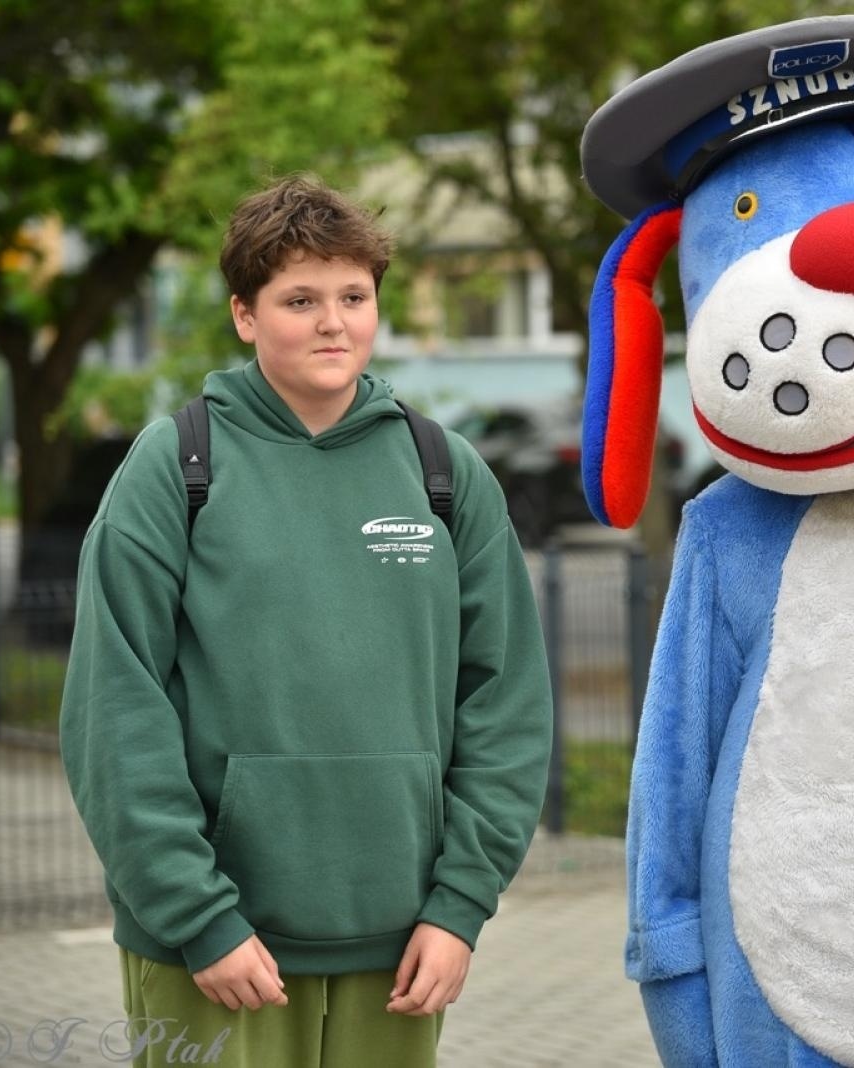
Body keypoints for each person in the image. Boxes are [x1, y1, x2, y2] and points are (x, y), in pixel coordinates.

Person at [59, 174, 554, 1067]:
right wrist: (197, 916)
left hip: (401, 947)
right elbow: (112, 710)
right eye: (300, 299)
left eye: (353, 296)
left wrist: (460, 908)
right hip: (215, 948)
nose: (334, 322)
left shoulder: (444, 472)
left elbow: (505, 704)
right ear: (245, 315)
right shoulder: (175, 466)